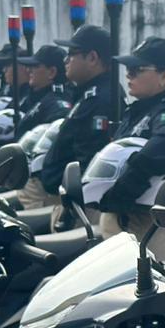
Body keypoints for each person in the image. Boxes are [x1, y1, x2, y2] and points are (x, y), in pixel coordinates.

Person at [90, 37, 165, 259]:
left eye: (137, 69)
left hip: (151, 225)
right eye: (128, 69)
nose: (128, 74)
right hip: (122, 219)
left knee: (161, 287)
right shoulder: (136, 112)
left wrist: (129, 183)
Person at [39, 24, 120, 228]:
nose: (66, 60)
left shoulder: (103, 99)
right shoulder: (87, 95)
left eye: (71, 54)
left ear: (92, 58)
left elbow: (89, 156)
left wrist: (75, 199)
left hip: (82, 206)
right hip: (70, 201)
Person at [13, 44, 73, 210]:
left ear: (52, 72)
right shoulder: (40, 98)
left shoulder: (57, 102)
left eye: (35, 66)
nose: (29, 70)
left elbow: (56, 137)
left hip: (39, 184)